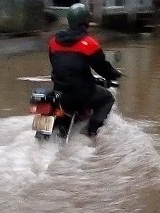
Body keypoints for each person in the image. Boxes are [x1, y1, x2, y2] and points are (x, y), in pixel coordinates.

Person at [48, 3, 122, 137]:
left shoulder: (53, 42)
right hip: (81, 93)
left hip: (59, 92)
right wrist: (114, 74)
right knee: (107, 98)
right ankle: (92, 131)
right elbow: (103, 69)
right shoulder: (89, 44)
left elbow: (57, 65)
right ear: (85, 21)